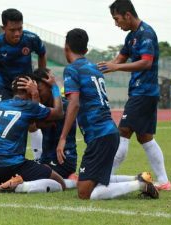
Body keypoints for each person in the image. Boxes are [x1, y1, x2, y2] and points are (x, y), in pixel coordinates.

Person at [58, 28, 158, 200]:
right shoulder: (95, 69)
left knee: (84, 192)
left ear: (66, 47)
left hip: (99, 134)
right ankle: (139, 179)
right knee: (96, 180)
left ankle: (140, 184)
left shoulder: (72, 69)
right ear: (86, 50)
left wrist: (63, 138)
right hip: (108, 131)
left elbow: (74, 103)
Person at [97, 0, 171, 191]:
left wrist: (116, 67)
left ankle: (105, 177)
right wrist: (101, 69)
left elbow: (146, 62)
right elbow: (120, 58)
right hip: (141, 93)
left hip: (144, 92)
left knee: (122, 132)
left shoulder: (146, 33)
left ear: (127, 15)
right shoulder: (131, 37)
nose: (116, 23)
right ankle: (163, 181)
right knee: (145, 138)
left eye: (117, 19)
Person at [0, 8, 46, 160]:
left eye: (20, 28)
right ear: (3, 28)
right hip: (5, 88)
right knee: (2, 122)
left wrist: (40, 80)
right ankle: (3, 161)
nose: (17, 34)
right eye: (12, 30)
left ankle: (39, 159)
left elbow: (42, 52)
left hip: (26, 87)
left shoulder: (31, 39)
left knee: (32, 123)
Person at [0, 75, 65, 193]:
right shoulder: (28, 106)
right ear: (30, 90)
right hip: (9, 166)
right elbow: (59, 113)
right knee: (60, 183)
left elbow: (32, 125)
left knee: (6, 170)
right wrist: (53, 87)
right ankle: (20, 185)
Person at [32, 68, 78, 189]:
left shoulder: (65, 106)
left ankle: (73, 182)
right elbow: (33, 126)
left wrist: (55, 87)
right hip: (46, 159)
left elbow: (59, 113)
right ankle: (69, 179)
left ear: (50, 87)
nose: (38, 94)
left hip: (63, 160)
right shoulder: (42, 107)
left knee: (38, 176)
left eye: (40, 90)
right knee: (29, 171)